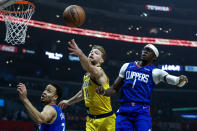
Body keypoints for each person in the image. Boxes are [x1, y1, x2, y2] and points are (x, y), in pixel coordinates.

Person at [96, 44, 188, 131]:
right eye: (144, 49)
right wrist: (104, 92)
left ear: (154, 57)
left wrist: (179, 80)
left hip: (141, 111)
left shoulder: (155, 72)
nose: (145, 51)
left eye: (149, 51)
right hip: (124, 109)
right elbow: (114, 88)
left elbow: (172, 80)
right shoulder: (127, 66)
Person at [58, 39, 115, 131]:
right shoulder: (87, 75)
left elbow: (88, 67)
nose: (92, 53)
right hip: (91, 120)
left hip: (106, 120)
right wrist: (68, 102)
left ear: (101, 60)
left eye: (96, 53)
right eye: (91, 52)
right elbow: (83, 93)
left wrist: (80, 53)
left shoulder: (99, 72)